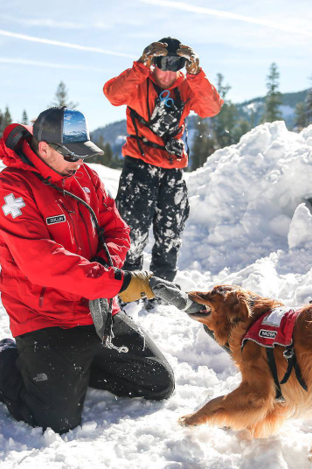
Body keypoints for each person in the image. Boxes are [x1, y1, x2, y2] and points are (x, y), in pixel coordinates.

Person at [0, 107, 174, 434]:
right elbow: (43, 263)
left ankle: (73, 370)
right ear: (44, 148)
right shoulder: (11, 189)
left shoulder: (86, 178)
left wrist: (105, 272)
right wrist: (114, 282)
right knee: (56, 421)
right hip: (47, 319)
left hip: (97, 311)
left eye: (83, 153)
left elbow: (117, 231)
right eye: (71, 155)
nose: (79, 162)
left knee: (158, 381)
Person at [103, 37, 223, 308]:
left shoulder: (186, 86)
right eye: (162, 63)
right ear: (153, 63)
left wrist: (195, 74)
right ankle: (129, 292)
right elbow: (113, 94)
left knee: (170, 233)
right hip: (139, 167)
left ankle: (162, 294)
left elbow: (211, 107)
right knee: (132, 233)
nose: (168, 71)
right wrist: (140, 67)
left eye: (176, 64)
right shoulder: (140, 82)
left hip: (172, 171)